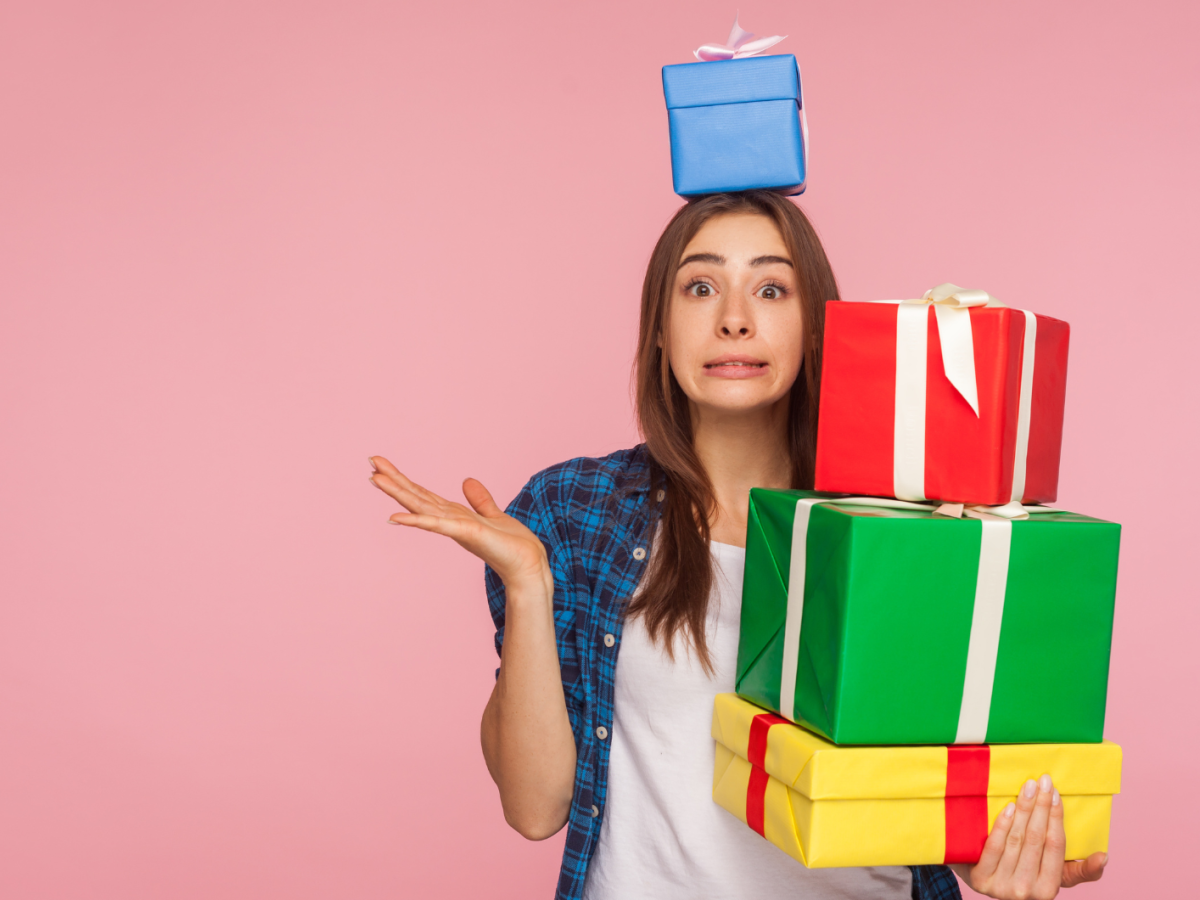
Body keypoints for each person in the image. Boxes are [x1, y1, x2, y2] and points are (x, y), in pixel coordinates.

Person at [369, 192, 1108, 900]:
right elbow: (534, 808)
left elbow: (955, 759)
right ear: (658, 328)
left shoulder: (910, 523)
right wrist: (529, 584)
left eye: (771, 291)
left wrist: (1000, 847)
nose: (733, 321)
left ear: (816, 327)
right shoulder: (573, 512)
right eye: (699, 288)